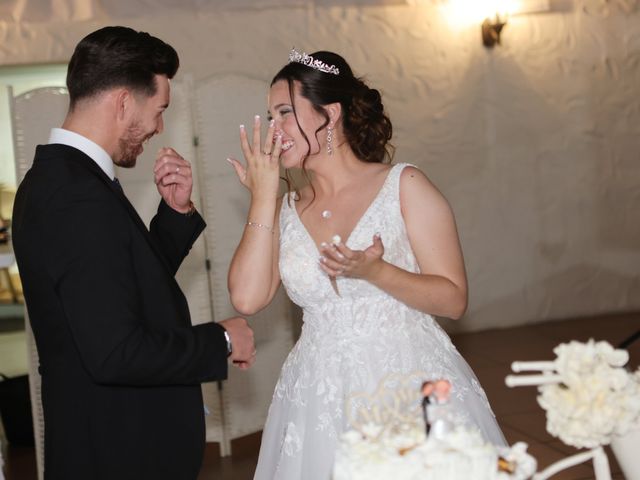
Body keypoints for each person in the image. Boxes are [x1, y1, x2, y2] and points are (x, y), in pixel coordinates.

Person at [227, 49, 505, 480]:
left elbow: (453, 299)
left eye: (284, 112)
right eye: (268, 114)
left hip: (405, 382)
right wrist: (263, 195)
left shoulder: (404, 186)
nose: (273, 129)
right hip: (319, 392)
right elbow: (246, 297)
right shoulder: (285, 208)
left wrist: (378, 273)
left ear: (330, 114)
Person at [11, 26, 256, 480]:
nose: (159, 127)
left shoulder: (63, 179)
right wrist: (219, 339)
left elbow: (115, 292)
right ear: (123, 101)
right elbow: (115, 350)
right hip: (118, 452)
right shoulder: (76, 196)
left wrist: (174, 215)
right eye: (159, 109)